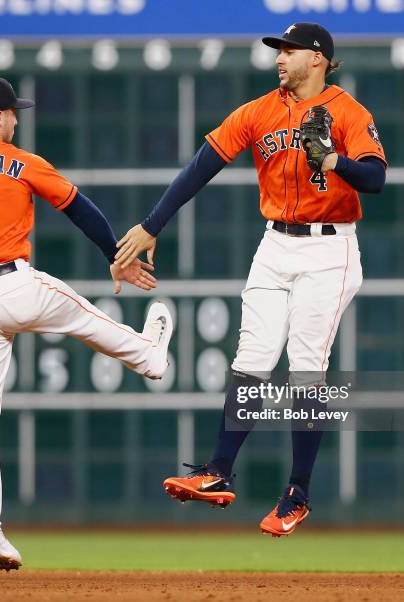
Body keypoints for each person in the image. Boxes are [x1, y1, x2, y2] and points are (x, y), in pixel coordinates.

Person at [115, 23, 386, 537]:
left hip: (331, 248)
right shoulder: (259, 111)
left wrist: (332, 159)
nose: (280, 58)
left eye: (289, 50)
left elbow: (376, 179)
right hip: (275, 242)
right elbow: (201, 167)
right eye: (278, 50)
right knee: (252, 358)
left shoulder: (350, 112)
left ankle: (298, 494)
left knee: (306, 365)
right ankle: (218, 470)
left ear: (319, 58)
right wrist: (152, 225)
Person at [0, 75, 174, 570]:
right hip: (11, 283)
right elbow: (80, 208)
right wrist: (114, 256)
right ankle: (150, 355)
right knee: (81, 315)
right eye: (13, 112)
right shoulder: (17, 161)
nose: (16, 118)